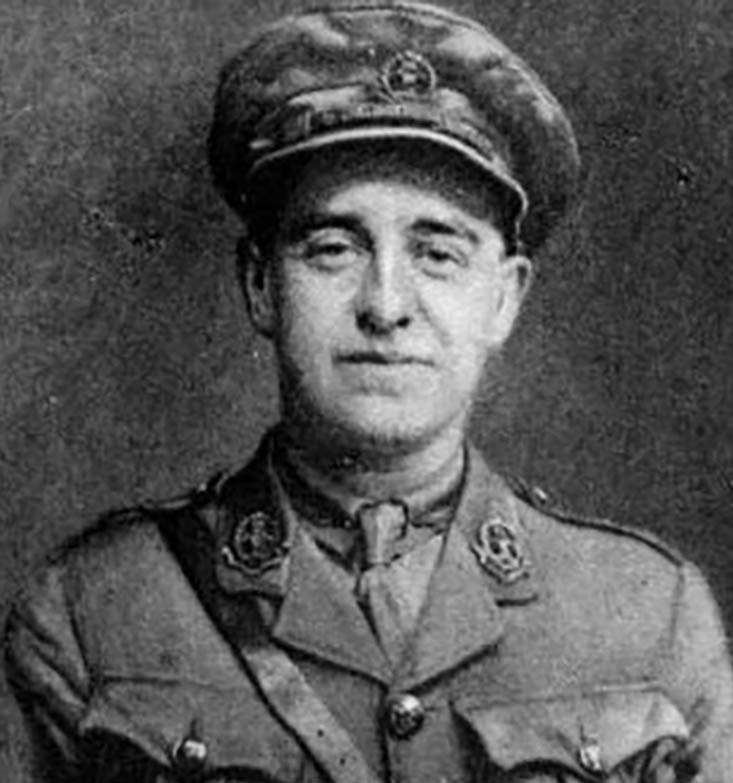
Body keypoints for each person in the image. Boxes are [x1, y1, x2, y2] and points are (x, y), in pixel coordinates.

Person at [5, 2, 733, 781]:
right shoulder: (92, 613)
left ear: (503, 298)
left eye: (437, 252)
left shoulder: (649, 618)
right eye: (333, 247)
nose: (385, 305)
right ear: (259, 284)